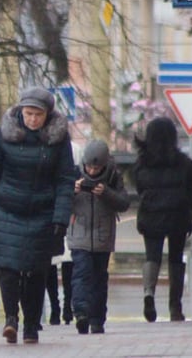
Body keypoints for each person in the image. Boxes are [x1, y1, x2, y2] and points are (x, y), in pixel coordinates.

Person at [0, 87, 76, 345]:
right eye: (28, 114)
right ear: (21, 112)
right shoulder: (6, 134)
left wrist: (61, 218)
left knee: (37, 271)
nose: (32, 119)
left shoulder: (58, 139)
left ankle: (31, 325)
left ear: (47, 114)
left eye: (37, 115)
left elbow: (64, 180)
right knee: (8, 269)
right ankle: (11, 320)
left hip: (42, 213)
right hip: (6, 211)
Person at [132, 117, 192, 323]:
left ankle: (149, 294)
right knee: (175, 258)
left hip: (151, 215)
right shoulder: (184, 163)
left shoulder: (142, 164)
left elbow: (139, 187)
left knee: (152, 257)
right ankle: (175, 307)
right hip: (177, 216)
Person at [68, 140, 131, 334]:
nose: (92, 172)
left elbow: (124, 203)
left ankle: (97, 319)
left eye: (96, 168)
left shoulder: (113, 176)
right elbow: (58, 200)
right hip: (80, 236)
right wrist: (73, 190)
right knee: (81, 275)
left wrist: (106, 193)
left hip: (103, 238)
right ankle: (80, 313)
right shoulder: (74, 173)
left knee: (99, 279)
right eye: (89, 167)